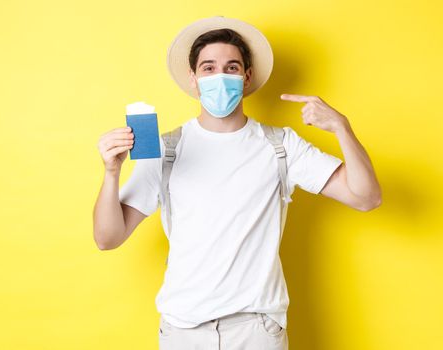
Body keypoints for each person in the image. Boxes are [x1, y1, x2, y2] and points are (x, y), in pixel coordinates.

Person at [93, 16, 381, 350]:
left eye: (231, 68)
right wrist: (111, 173)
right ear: (194, 79)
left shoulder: (282, 146)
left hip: (257, 331)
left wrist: (342, 128)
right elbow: (107, 238)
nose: (219, 77)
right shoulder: (165, 149)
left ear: (246, 78)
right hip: (183, 331)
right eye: (208, 68)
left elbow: (366, 197)